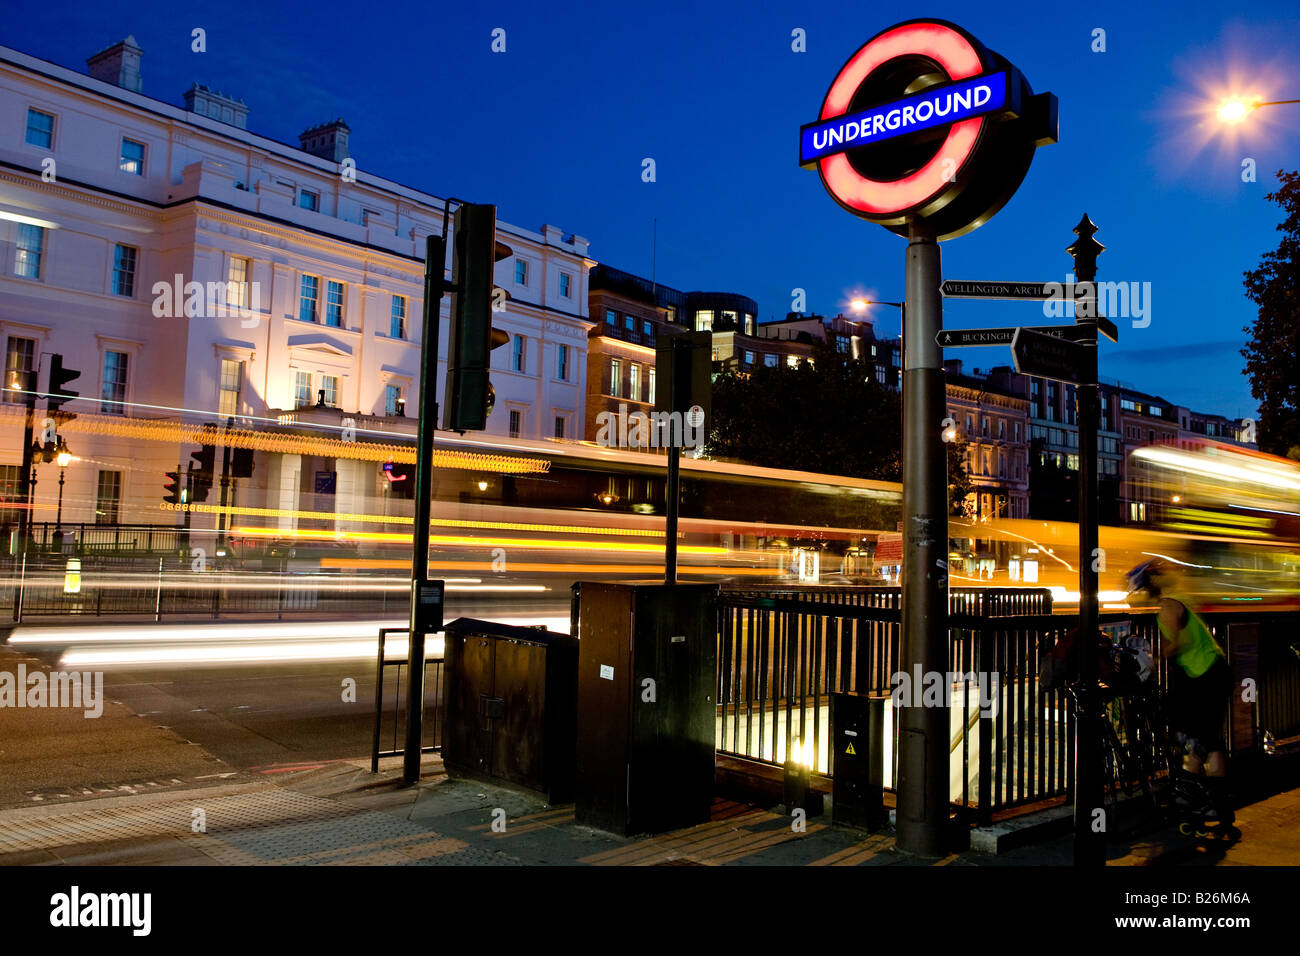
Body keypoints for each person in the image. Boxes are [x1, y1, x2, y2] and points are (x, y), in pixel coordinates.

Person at [1125, 559, 1234, 824]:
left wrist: (1154, 658)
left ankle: (1208, 804)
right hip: (1212, 673)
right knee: (1206, 740)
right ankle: (1211, 804)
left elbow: (1179, 642)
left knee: (1200, 739)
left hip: (1204, 676)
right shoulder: (1176, 601)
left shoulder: (1167, 606)